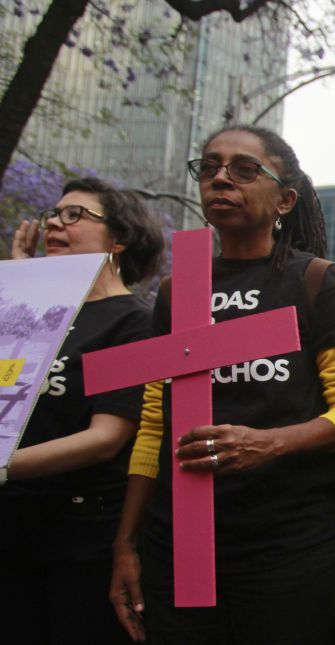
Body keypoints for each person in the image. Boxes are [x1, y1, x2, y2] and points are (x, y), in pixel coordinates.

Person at [109, 125, 335, 644]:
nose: (221, 178)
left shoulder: (317, 282)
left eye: (244, 169)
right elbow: (154, 427)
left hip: (287, 548)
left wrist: (267, 444)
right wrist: (126, 544)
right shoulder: (176, 292)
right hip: (178, 546)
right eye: (209, 167)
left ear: (285, 199)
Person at [0, 178, 163, 644]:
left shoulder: (135, 322)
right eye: (53, 213)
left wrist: (5, 467)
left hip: (79, 542)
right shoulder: (28, 312)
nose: (54, 221)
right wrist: (22, 289)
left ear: (119, 239)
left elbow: (105, 438)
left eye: (75, 215)